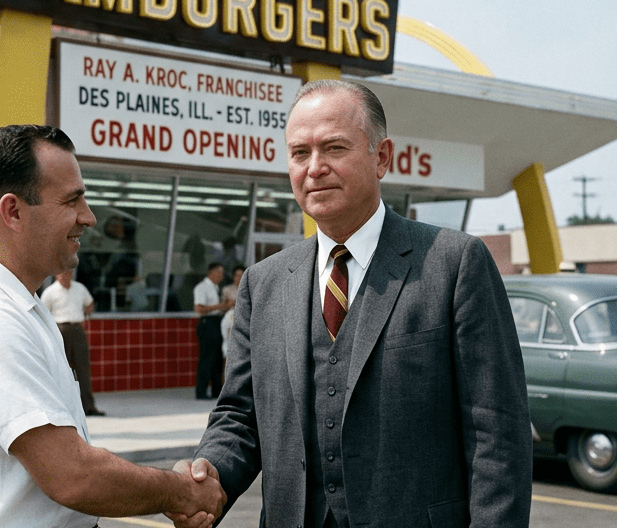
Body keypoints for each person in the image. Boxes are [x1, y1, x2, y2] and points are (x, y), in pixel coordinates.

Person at [171, 80, 532, 528]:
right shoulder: (262, 284)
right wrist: (210, 475)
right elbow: (240, 417)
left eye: (334, 148)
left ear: (381, 157)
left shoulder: (455, 264)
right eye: (300, 153)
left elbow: (497, 434)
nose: (315, 168)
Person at [0, 125, 224, 528]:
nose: (88, 217)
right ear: (14, 211)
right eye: (72, 200)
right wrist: (181, 491)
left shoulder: (15, 305)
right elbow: (73, 476)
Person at [41, 270, 104, 416]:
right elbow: (43, 313)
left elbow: (89, 303)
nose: (65, 276)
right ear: (57, 275)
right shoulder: (50, 291)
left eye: (67, 273)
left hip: (77, 328)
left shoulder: (79, 288)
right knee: (61, 369)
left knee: (83, 368)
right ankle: (62, 408)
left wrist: (87, 310)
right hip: (59, 329)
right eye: (62, 273)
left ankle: (88, 406)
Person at [193, 262, 233, 400]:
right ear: (212, 272)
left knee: (217, 358)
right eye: (219, 273)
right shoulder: (202, 287)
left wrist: (225, 306)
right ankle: (201, 391)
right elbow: (199, 309)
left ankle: (217, 390)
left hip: (217, 322)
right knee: (207, 358)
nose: (221, 276)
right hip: (207, 323)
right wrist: (219, 306)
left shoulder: (216, 288)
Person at [219, 265, 245, 359]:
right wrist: (229, 304)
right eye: (237, 275)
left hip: (244, 319)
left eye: (241, 275)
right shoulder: (227, 289)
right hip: (230, 318)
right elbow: (222, 307)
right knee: (228, 349)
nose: (239, 278)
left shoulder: (248, 289)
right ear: (233, 276)